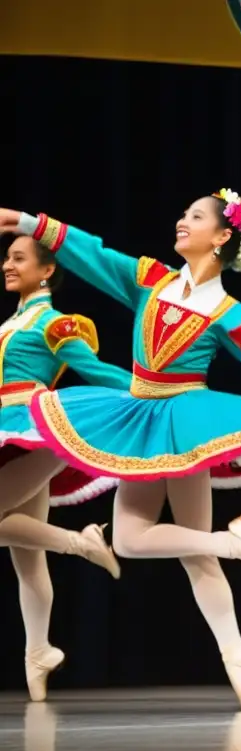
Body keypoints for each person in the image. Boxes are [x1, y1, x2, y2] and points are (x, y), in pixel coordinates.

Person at [0, 191, 241, 711]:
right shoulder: (151, 280)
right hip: (146, 418)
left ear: (223, 237)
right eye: (183, 214)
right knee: (176, 547)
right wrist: (29, 221)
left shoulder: (231, 313)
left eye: (195, 217)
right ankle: (236, 646)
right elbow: (92, 253)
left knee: (140, 544)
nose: (181, 221)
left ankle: (234, 555)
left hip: (186, 421)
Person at [1, 233, 126, 701]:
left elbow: (95, 370)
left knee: (16, 538)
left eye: (19, 258)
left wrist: (150, 391)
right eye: (6, 259)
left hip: (36, 428)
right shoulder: (14, 322)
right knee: (26, 558)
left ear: (48, 269)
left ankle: (81, 543)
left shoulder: (56, 324)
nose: (8, 266)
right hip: (8, 430)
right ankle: (39, 651)